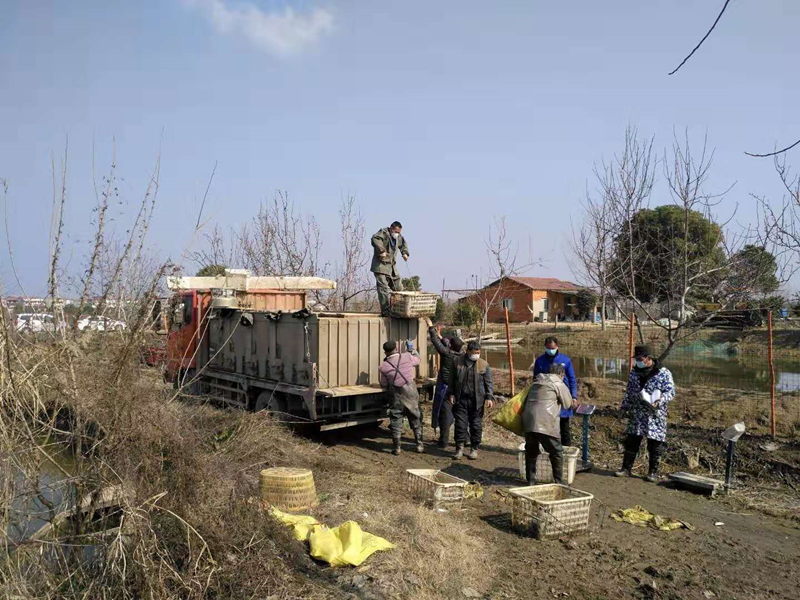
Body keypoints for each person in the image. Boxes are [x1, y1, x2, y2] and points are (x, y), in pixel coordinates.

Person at [616, 345, 675, 482]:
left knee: (655, 444)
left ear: (649, 359)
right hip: (637, 412)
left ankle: (652, 473)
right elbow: (629, 391)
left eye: (640, 359)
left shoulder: (663, 373)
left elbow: (670, 392)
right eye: (636, 359)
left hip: (655, 414)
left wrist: (659, 400)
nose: (637, 361)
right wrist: (624, 407)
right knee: (632, 441)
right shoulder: (635, 372)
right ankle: (626, 469)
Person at [522, 363, 575, 484]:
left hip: (529, 421)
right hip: (546, 422)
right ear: (561, 374)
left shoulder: (536, 382)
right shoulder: (558, 383)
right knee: (556, 451)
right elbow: (567, 404)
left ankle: (530, 480)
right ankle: (558, 481)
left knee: (531, 451)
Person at [448, 341, 494, 460]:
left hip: (477, 401)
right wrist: (451, 393)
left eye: (478, 353)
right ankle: (459, 448)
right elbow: (451, 379)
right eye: (474, 353)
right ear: (468, 351)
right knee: (460, 425)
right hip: (461, 399)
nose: (477, 355)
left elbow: (488, 382)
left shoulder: (483, 364)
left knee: (476, 425)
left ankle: (474, 448)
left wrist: (489, 397)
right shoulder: (457, 362)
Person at [379, 339, 423, 455]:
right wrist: (412, 350)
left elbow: (383, 384)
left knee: (395, 419)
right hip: (411, 393)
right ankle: (419, 445)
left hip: (396, 396)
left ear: (385, 352)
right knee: (415, 417)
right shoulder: (407, 357)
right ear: (396, 349)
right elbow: (418, 360)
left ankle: (397, 448)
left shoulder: (383, 366)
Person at [532, 336, 578, 447]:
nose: (550, 350)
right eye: (548, 348)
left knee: (564, 428)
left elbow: (572, 379)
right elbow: (535, 380)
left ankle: (566, 451)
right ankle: (549, 451)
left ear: (557, 346)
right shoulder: (540, 361)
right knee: (547, 428)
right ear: (545, 347)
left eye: (552, 348)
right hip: (546, 400)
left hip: (562, 397)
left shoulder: (565, 360)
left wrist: (574, 396)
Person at [428, 327, 464, 449]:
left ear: (451, 346)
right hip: (459, 389)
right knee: (460, 415)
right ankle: (466, 439)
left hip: (446, 388)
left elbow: (436, 342)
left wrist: (432, 330)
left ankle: (443, 441)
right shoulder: (463, 356)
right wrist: (440, 336)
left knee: (445, 414)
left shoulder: (447, 354)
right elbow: (443, 343)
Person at [371, 221, 409, 316]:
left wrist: (404, 253)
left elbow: (403, 244)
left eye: (399, 232)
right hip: (380, 266)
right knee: (383, 288)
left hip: (391, 267)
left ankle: (401, 308)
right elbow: (375, 238)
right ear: (391, 228)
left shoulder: (398, 237)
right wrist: (381, 250)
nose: (397, 234)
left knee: (399, 287)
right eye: (396, 231)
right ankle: (386, 311)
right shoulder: (384, 233)